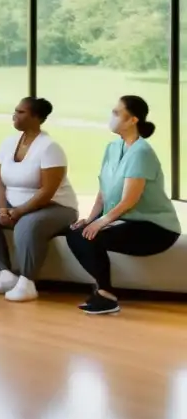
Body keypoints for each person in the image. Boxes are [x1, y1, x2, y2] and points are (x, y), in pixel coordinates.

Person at [64, 96, 181, 315]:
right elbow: (104, 191)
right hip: (127, 221)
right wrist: (90, 219)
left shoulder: (141, 152)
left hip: (155, 228)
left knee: (91, 236)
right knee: (75, 232)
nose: (112, 117)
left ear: (132, 120)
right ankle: (104, 292)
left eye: (117, 113)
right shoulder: (112, 147)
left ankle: (105, 295)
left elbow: (129, 199)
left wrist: (100, 223)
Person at [0, 97, 79, 302]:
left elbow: (47, 191)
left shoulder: (50, 148)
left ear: (36, 117)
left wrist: (18, 212)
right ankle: (5, 275)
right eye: (15, 111)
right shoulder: (9, 143)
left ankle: (27, 283)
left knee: (27, 224)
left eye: (21, 112)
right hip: (15, 205)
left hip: (56, 207)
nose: (15, 115)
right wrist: (3, 209)